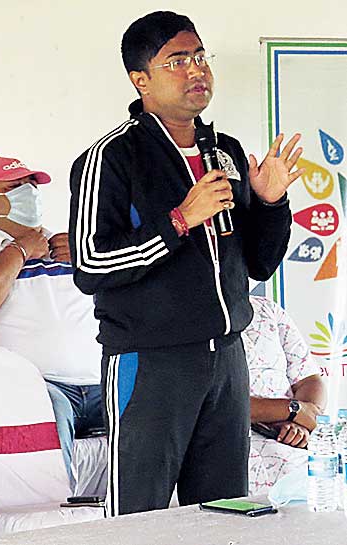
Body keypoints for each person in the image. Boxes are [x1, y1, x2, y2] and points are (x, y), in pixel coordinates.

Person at [68, 11, 302, 516]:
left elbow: (260, 266)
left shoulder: (228, 152)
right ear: (141, 79)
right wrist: (180, 219)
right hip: (150, 360)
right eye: (177, 60)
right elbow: (90, 264)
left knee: (226, 509)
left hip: (227, 358)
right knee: (138, 513)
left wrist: (270, 203)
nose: (196, 70)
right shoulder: (110, 158)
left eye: (200, 57)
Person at [0, 157, 102, 489]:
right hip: (39, 388)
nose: (28, 193)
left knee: (156, 401)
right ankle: (62, 522)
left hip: (101, 383)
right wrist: (18, 250)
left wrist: (90, 255)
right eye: (14, 188)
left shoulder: (70, 246)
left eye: (31, 186)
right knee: (43, 405)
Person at [243, 295, 325, 495]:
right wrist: (291, 410)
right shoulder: (179, 315)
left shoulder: (266, 309)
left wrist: (298, 424)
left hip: (294, 454)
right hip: (235, 454)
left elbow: (309, 380)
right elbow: (216, 403)